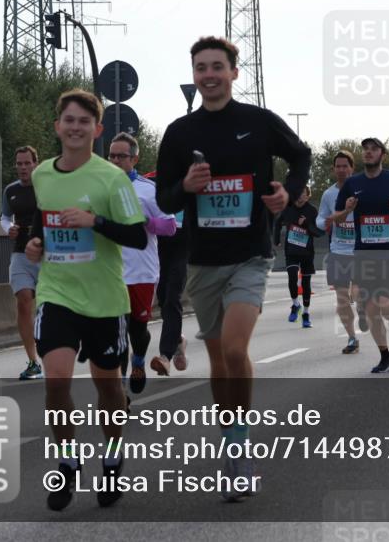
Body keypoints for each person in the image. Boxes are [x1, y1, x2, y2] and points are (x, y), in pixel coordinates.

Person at [155, 37, 311, 501]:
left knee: (237, 349)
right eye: (201, 67)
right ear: (194, 74)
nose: (209, 74)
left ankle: (240, 452)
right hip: (203, 260)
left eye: (217, 67)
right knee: (220, 361)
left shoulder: (257, 122)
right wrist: (185, 184)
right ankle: (230, 441)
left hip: (251, 254)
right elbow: (164, 199)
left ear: (233, 73)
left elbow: (300, 155)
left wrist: (288, 195)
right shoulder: (180, 133)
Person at [25, 89, 147, 511]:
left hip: (104, 300)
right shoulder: (41, 174)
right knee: (55, 380)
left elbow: (137, 234)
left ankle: (112, 456)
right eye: (68, 120)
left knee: (108, 387)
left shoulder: (111, 179)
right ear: (57, 126)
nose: (75, 127)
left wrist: (95, 221)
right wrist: (34, 244)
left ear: (96, 130)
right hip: (56, 292)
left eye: (84, 122)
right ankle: (67, 461)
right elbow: (41, 221)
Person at [331, 137, 389, 374]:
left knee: (384, 303)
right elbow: (337, 219)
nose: (368, 153)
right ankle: (385, 357)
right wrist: (347, 210)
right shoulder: (353, 183)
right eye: (365, 149)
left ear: (383, 154)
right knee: (369, 307)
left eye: (374, 149)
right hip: (364, 252)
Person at [108, 133, 177, 395]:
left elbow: (170, 226)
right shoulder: (98, 187)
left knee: (138, 331)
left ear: (134, 159)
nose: (114, 160)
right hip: (110, 273)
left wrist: (146, 222)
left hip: (142, 272)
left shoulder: (148, 190)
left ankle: (139, 361)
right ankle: (120, 391)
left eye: (120, 156)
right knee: (118, 332)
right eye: (111, 155)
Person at [2, 146, 43, 380]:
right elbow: (5, 217)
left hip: (46, 255)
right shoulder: (10, 191)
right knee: (23, 301)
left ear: (36, 164)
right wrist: (9, 228)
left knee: (49, 307)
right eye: (19, 164)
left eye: (27, 163)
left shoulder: (46, 186)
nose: (23, 168)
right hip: (20, 254)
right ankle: (32, 361)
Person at [318, 150, 363, 354]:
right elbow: (321, 218)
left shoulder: (363, 189)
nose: (342, 169)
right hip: (338, 251)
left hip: (361, 250)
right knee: (342, 298)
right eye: (338, 166)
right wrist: (324, 223)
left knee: (359, 294)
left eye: (346, 165)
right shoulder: (329, 194)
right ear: (333, 169)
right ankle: (352, 338)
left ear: (352, 168)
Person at [147, 169, 189, 377]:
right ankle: (178, 339)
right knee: (163, 298)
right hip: (159, 245)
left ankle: (165, 357)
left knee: (173, 297)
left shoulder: (194, 180)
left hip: (183, 246)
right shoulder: (152, 180)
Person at [274, 185, 324, 328]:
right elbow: (278, 222)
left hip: (307, 253)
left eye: (303, 194)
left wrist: (307, 224)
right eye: (298, 193)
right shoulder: (288, 208)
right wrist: (276, 239)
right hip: (291, 251)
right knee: (292, 278)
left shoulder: (312, 211)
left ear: (308, 196)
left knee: (306, 284)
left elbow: (319, 232)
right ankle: (296, 304)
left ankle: (306, 313)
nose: (300, 196)